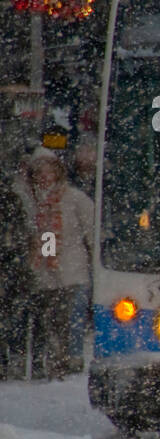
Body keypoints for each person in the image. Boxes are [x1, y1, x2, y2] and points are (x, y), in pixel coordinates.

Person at [12, 147, 94, 379]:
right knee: (54, 322)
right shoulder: (31, 203)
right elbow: (43, 239)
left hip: (75, 271)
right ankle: (56, 361)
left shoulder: (75, 198)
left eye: (49, 171)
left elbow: (92, 232)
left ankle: (73, 360)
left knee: (74, 320)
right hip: (48, 276)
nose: (44, 177)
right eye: (39, 172)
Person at [0, 174, 35, 379]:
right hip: (17, 266)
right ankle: (12, 359)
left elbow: (46, 234)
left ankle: (16, 359)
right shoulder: (17, 201)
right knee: (15, 316)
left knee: (19, 316)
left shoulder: (19, 202)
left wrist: (46, 261)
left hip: (20, 267)